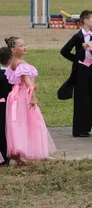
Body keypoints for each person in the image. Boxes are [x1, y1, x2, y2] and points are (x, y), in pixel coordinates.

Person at [4, 36, 56, 165]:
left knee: (18, 124)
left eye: (24, 44)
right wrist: (33, 96)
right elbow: (27, 82)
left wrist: (30, 87)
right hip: (23, 98)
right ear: (13, 49)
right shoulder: (21, 64)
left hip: (16, 96)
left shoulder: (13, 63)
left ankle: (16, 156)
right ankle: (36, 151)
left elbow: (20, 82)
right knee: (33, 123)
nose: (24, 47)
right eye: (21, 45)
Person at [58, 10, 92, 137]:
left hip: (91, 68)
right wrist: (77, 59)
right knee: (81, 99)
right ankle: (79, 130)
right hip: (81, 70)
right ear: (86, 21)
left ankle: (86, 126)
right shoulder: (78, 37)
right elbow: (64, 51)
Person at [0, 47, 13, 164]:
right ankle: (5, 157)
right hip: (6, 105)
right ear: (10, 60)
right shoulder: (9, 76)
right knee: (4, 131)